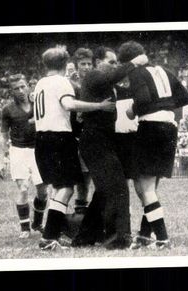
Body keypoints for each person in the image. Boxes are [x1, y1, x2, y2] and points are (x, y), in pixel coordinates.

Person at [33, 45, 116, 250]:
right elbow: (69, 105)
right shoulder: (62, 82)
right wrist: (99, 106)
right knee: (67, 187)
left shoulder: (40, 83)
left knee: (58, 188)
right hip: (59, 137)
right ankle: (49, 237)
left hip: (41, 138)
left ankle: (54, 231)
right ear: (65, 63)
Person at [71, 46, 148, 249]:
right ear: (98, 62)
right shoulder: (94, 76)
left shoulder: (106, 85)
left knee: (104, 190)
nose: (115, 66)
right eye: (111, 62)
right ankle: (118, 238)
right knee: (117, 187)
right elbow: (113, 77)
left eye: (116, 62)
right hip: (95, 141)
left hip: (101, 141)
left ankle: (85, 236)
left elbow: (128, 90)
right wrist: (134, 63)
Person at [118, 41, 188, 249]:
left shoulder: (137, 73)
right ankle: (143, 235)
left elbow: (141, 99)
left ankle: (162, 239)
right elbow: (186, 97)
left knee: (146, 186)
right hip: (169, 126)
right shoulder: (165, 71)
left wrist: (132, 111)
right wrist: (164, 105)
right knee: (148, 184)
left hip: (151, 126)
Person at [0, 74, 48, 239]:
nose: (20, 91)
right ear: (11, 91)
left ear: (28, 86)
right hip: (18, 151)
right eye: (16, 88)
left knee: (43, 192)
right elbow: (3, 136)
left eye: (22, 86)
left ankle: (37, 223)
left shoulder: (38, 103)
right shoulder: (8, 109)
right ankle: (25, 228)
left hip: (39, 150)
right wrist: (0, 160)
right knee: (23, 188)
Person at [69, 48, 95, 214]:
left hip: (92, 137)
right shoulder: (69, 85)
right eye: (82, 64)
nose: (86, 67)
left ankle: (83, 217)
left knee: (86, 180)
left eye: (88, 64)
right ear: (76, 66)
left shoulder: (96, 82)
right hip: (73, 137)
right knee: (72, 182)